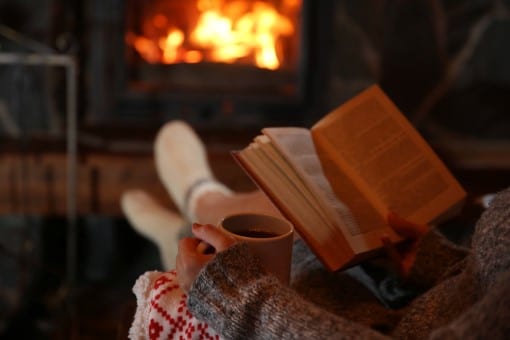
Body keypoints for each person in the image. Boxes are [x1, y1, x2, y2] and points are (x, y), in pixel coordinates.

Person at [122, 120, 510, 339]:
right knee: (309, 213)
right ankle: (189, 214)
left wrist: (234, 292)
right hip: (410, 303)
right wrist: (434, 261)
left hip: (364, 325)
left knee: (285, 222)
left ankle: (196, 202)